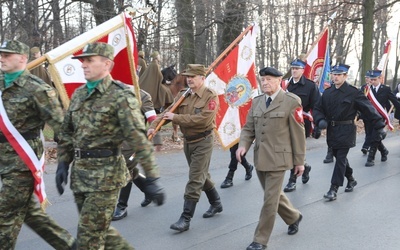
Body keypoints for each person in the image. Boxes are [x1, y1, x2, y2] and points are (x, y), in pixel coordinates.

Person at [55, 42, 165, 249]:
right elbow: (67, 132)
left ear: (107, 64)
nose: (84, 65)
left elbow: (137, 138)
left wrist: (151, 177)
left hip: (106, 177)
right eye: (83, 61)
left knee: (88, 240)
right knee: (100, 231)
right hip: (80, 176)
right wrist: (63, 162)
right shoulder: (79, 94)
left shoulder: (121, 95)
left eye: (89, 60)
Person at [0, 40, 76, 249]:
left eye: (8, 55)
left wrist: (63, 162)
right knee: (30, 213)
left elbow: (62, 128)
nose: (2, 58)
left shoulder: (38, 89)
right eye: (1, 54)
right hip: (1, 158)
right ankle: (69, 245)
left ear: (23, 59)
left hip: (21, 161)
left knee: (5, 216)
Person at [148, 64, 223, 232]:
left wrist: (177, 117)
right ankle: (216, 203)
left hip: (203, 140)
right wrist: (154, 126)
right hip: (188, 141)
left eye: (193, 76)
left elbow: (202, 120)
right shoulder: (183, 95)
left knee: (195, 179)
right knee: (201, 175)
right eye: (187, 76)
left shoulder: (210, 96)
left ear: (202, 79)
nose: (189, 79)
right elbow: (168, 112)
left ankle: (185, 218)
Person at [236, 66, 305, 250]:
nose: (265, 83)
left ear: (279, 80)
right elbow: (248, 128)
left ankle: (260, 240)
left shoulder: (291, 101)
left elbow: (298, 134)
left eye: (269, 79)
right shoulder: (257, 101)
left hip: (279, 159)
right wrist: (243, 145)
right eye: (263, 80)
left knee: (269, 201)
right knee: (273, 196)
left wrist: (300, 161)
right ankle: (293, 216)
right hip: (260, 158)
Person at [313, 64, 386, 201]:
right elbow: (317, 108)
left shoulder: (353, 92)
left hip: (346, 130)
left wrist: (379, 126)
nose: (335, 77)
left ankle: (333, 188)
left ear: (345, 76)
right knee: (339, 157)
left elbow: (368, 109)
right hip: (332, 131)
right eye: (334, 74)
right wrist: (320, 120)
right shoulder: (328, 93)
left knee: (340, 158)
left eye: (339, 74)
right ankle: (351, 179)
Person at [113, 89, 158, 221]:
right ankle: (148, 191)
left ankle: (122, 206)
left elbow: (153, 119)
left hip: (131, 142)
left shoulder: (143, 96)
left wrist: (155, 139)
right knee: (130, 170)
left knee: (125, 170)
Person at [283, 59, 320, 192]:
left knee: (295, 149)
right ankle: (304, 167)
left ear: (303, 70)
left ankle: (292, 180)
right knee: (288, 150)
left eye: (297, 68)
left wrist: (318, 125)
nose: (294, 71)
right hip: (285, 122)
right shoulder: (285, 85)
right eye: (292, 68)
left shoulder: (310, 86)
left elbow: (316, 106)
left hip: (302, 123)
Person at [364, 70, 400, 166]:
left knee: (375, 137)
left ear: (380, 79)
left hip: (380, 118)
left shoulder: (385, 89)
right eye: (370, 79)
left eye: (374, 79)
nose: (372, 81)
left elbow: (395, 102)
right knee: (372, 136)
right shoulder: (366, 89)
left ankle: (370, 158)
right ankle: (384, 151)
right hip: (369, 118)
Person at [139, 51, 173, 150]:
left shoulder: (149, 64)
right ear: (157, 57)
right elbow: (159, 77)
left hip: (143, 86)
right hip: (149, 93)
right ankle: (162, 105)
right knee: (165, 91)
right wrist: (165, 81)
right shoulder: (154, 65)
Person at [359, 70, 372, 155]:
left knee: (372, 131)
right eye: (366, 77)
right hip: (365, 113)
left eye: (368, 77)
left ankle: (365, 146)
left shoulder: (374, 88)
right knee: (368, 131)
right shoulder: (363, 87)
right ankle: (380, 148)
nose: (367, 79)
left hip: (374, 113)